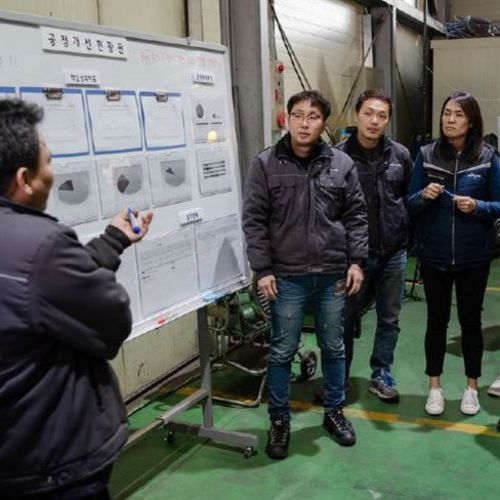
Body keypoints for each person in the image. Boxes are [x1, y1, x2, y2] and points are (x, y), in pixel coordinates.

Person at [0, 99, 153, 498]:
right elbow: (112, 322)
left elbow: (42, 288)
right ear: (24, 178)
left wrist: (113, 240)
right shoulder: (42, 243)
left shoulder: (31, 254)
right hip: (51, 460)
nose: (53, 171)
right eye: (48, 161)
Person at [242, 90, 368, 459]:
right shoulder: (266, 164)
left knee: (333, 347)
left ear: (323, 123)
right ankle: (279, 421)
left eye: (313, 117)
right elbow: (254, 220)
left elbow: (356, 216)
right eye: (297, 115)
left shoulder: (341, 164)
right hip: (286, 276)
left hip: (332, 274)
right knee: (282, 350)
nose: (304, 123)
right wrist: (263, 269)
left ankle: (334, 412)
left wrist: (356, 261)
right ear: (287, 118)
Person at [406, 91, 500, 416]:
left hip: (474, 256)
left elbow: (499, 204)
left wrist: (478, 207)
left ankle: (471, 388)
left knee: (471, 323)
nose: (450, 119)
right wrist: (424, 195)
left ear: (471, 121)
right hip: (434, 256)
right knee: (436, 322)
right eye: (447, 113)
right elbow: (409, 203)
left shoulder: (488, 157)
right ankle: (435, 387)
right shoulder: (426, 155)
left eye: (459, 114)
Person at [336, 89, 413, 403]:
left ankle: (381, 372)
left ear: (388, 120)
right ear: (357, 114)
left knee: (389, 319)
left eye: (382, 115)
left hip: (393, 252)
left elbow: (407, 197)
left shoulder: (400, 155)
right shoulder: (338, 157)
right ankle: (339, 378)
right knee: (343, 320)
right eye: (368, 113)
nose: (374, 121)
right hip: (352, 258)